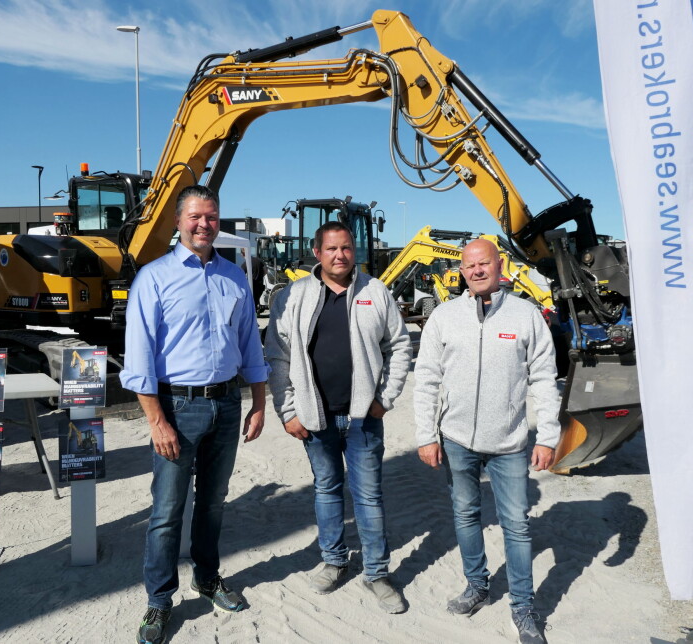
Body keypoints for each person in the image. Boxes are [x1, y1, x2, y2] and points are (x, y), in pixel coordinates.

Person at [120, 185, 269, 644]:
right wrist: (156, 420)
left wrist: (259, 402)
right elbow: (139, 357)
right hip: (177, 407)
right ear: (179, 222)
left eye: (212, 216)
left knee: (212, 502)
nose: (204, 224)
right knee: (167, 510)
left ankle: (207, 579)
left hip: (226, 404)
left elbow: (250, 344)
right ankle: (159, 601)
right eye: (195, 217)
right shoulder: (154, 278)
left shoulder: (234, 278)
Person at [413, 238, 559, 644]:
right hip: (457, 439)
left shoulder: (526, 315)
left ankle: (523, 608)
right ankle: (477, 585)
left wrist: (547, 436)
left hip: (510, 443)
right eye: (469, 265)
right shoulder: (443, 316)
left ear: (500, 266)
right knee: (465, 516)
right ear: (461, 270)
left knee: (516, 525)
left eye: (484, 264)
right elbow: (425, 379)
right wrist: (426, 435)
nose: (476, 271)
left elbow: (545, 379)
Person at [265, 221, 412, 613]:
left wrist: (385, 397)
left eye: (346, 248)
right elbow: (276, 355)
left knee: (368, 495)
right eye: (331, 249)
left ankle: (377, 573)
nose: (340, 255)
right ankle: (334, 561)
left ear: (355, 251)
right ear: (317, 253)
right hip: (315, 419)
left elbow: (399, 346)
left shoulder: (375, 292)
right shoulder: (293, 296)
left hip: (364, 419)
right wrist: (288, 410)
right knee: (327, 491)